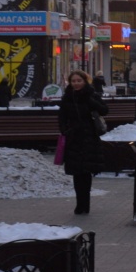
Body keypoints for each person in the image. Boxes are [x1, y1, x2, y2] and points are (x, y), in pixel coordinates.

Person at [57, 70, 109, 215]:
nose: (76, 83)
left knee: (86, 172)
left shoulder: (92, 94)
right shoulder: (68, 97)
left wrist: (89, 100)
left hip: (89, 138)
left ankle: (85, 204)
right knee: (76, 172)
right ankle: (79, 204)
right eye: (73, 81)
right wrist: (64, 130)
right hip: (73, 138)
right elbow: (62, 116)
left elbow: (104, 110)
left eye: (79, 81)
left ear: (85, 81)